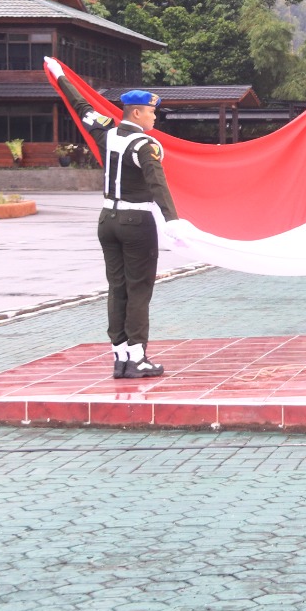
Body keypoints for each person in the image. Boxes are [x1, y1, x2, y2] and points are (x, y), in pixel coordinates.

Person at [48, 58, 188, 378]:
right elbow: (157, 184)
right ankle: (138, 357)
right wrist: (173, 220)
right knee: (139, 290)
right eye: (151, 111)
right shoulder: (145, 144)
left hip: (106, 219)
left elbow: (81, 105)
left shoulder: (107, 134)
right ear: (136, 113)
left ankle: (120, 356)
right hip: (136, 223)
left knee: (117, 288)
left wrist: (60, 78)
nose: (154, 117)